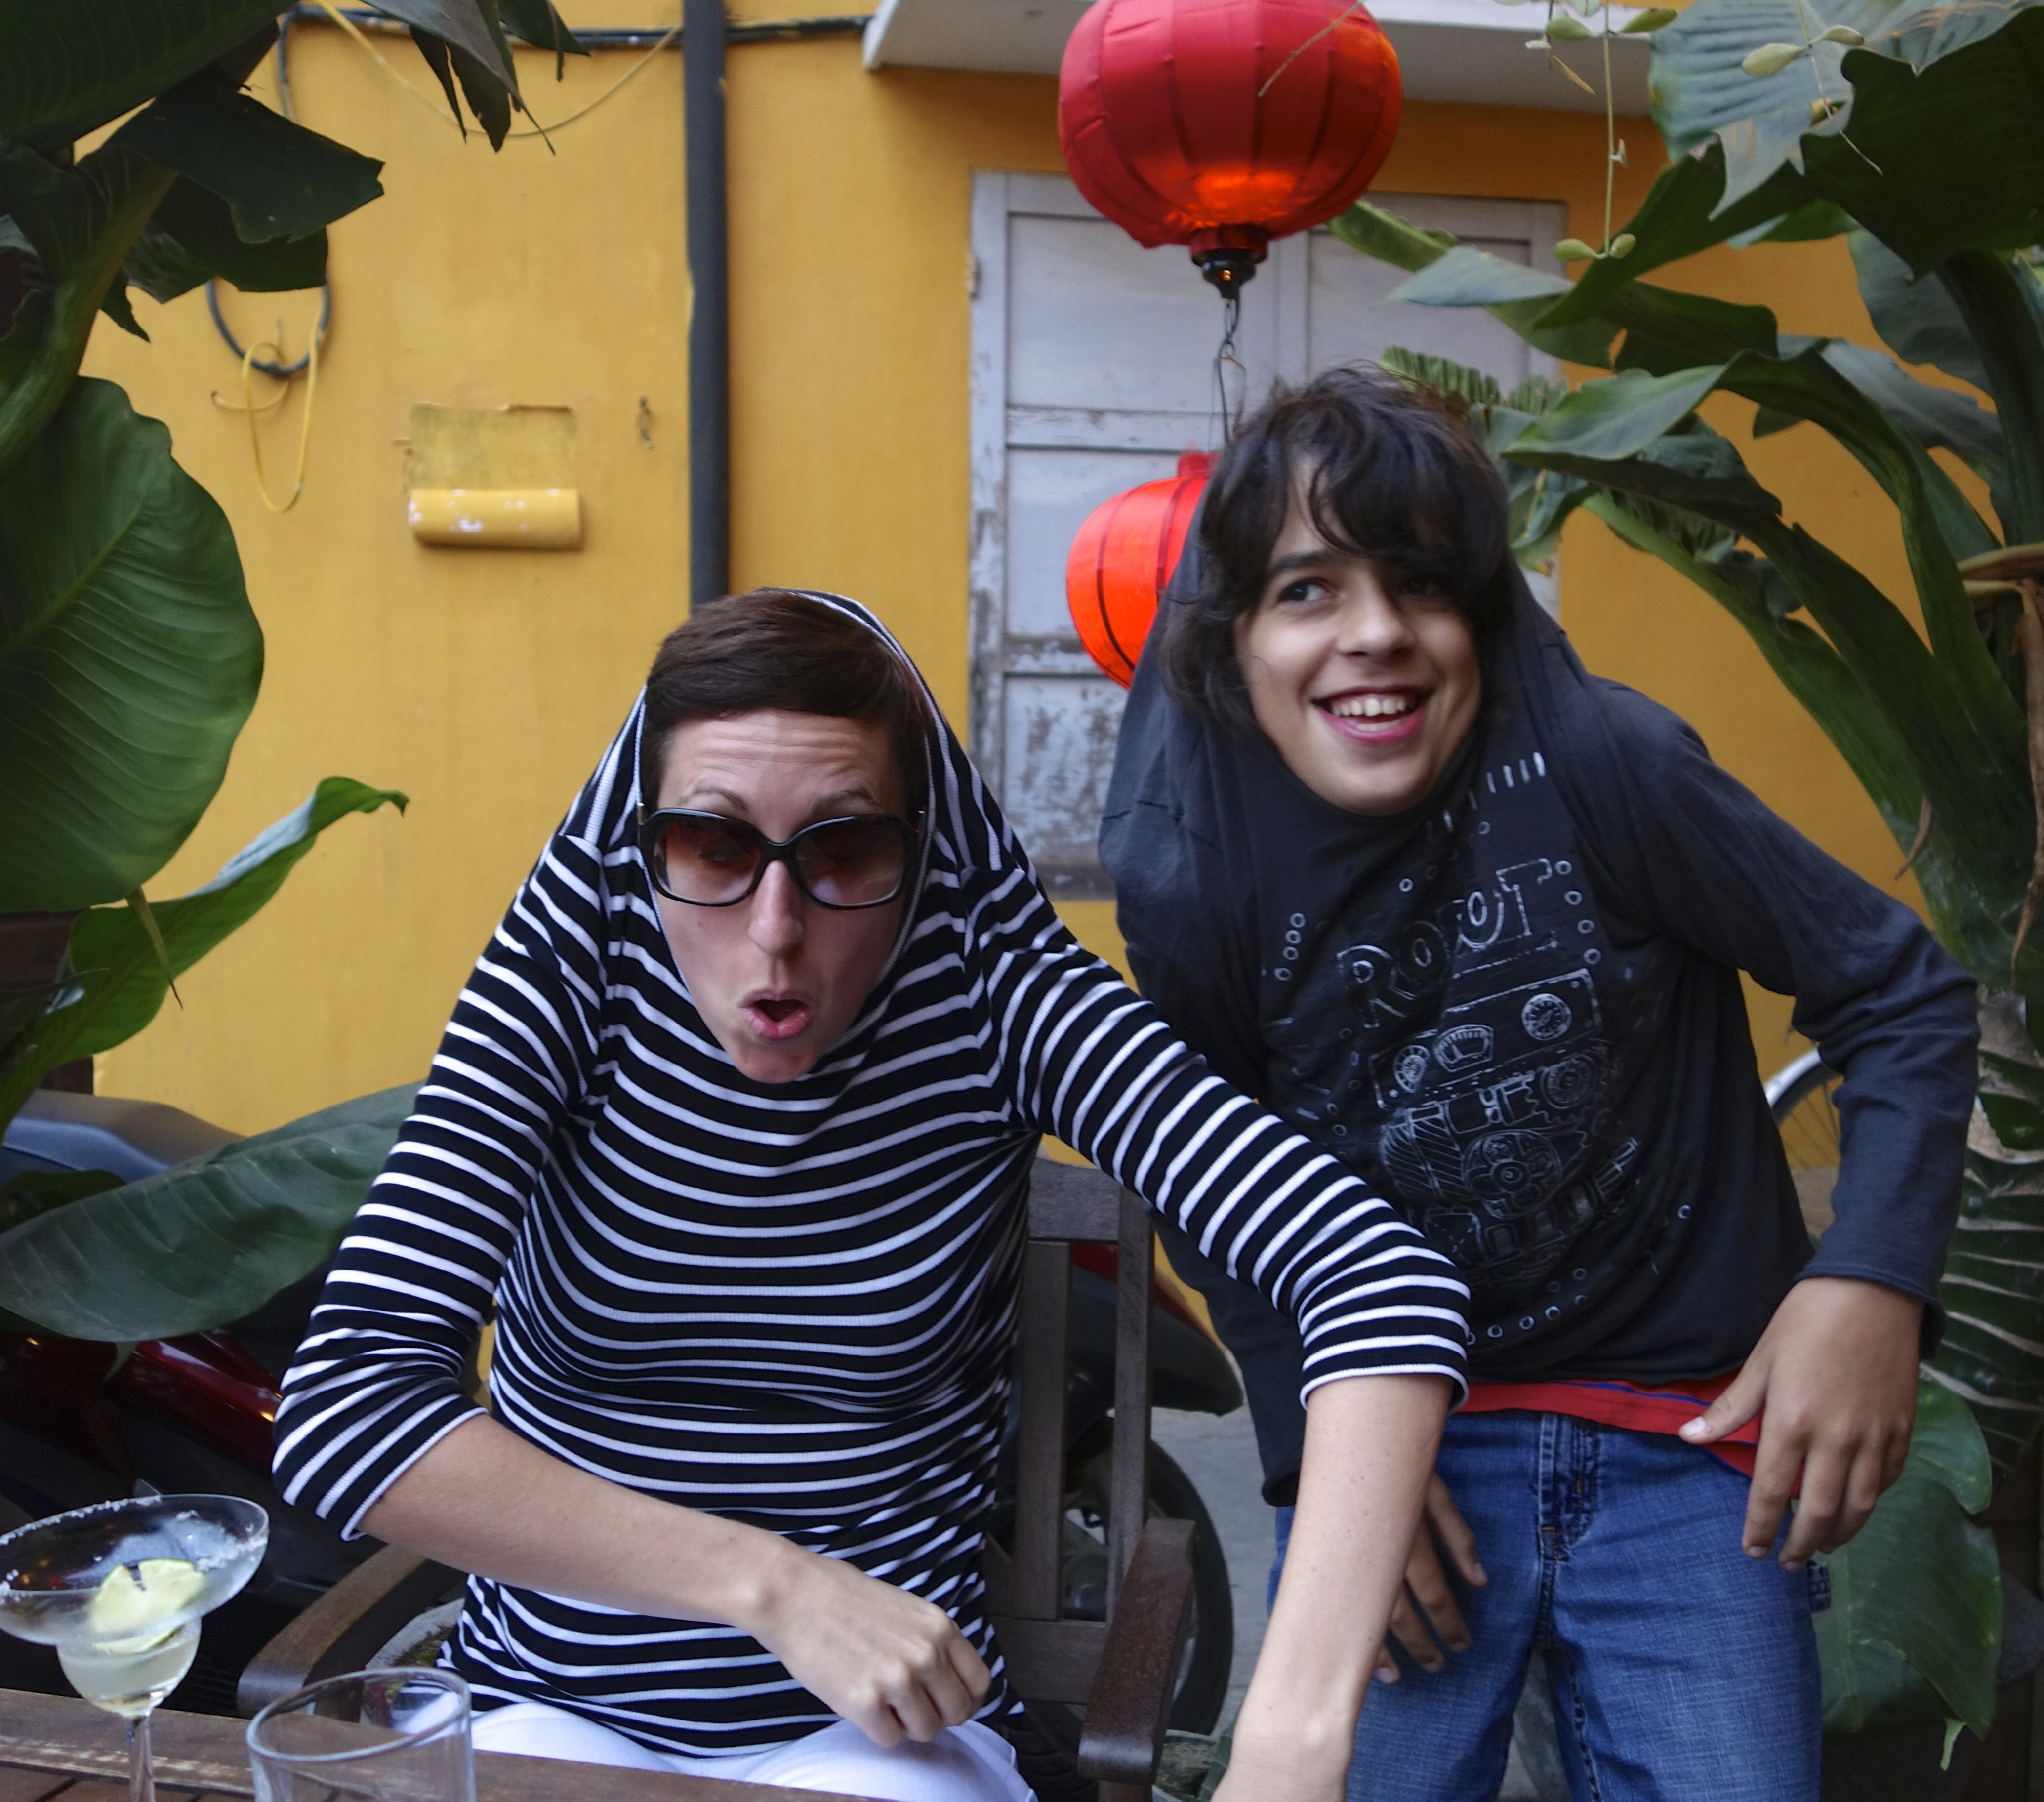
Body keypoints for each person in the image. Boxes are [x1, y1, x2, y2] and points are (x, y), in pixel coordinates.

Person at [272, 589, 1470, 1802]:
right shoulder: (571, 977)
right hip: (553, 1713)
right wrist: (776, 1588)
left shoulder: (993, 990)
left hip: (882, 1742)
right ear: (645, 845)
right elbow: (346, 1409)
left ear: (920, 847)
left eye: (844, 849)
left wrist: (1288, 1745)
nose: (774, 930)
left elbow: (1373, 1272)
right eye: (713, 846)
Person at [1099, 369, 1979, 1802]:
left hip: (1687, 1450)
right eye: (1308, 591)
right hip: (1403, 1461)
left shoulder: (1606, 766)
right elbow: (1215, 1181)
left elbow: (1900, 994)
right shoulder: (1200, 878)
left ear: (1486, 614)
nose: (1375, 631)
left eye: (1423, 584)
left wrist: (1869, 1283)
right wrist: (1310, 1459)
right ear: (1231, 641)